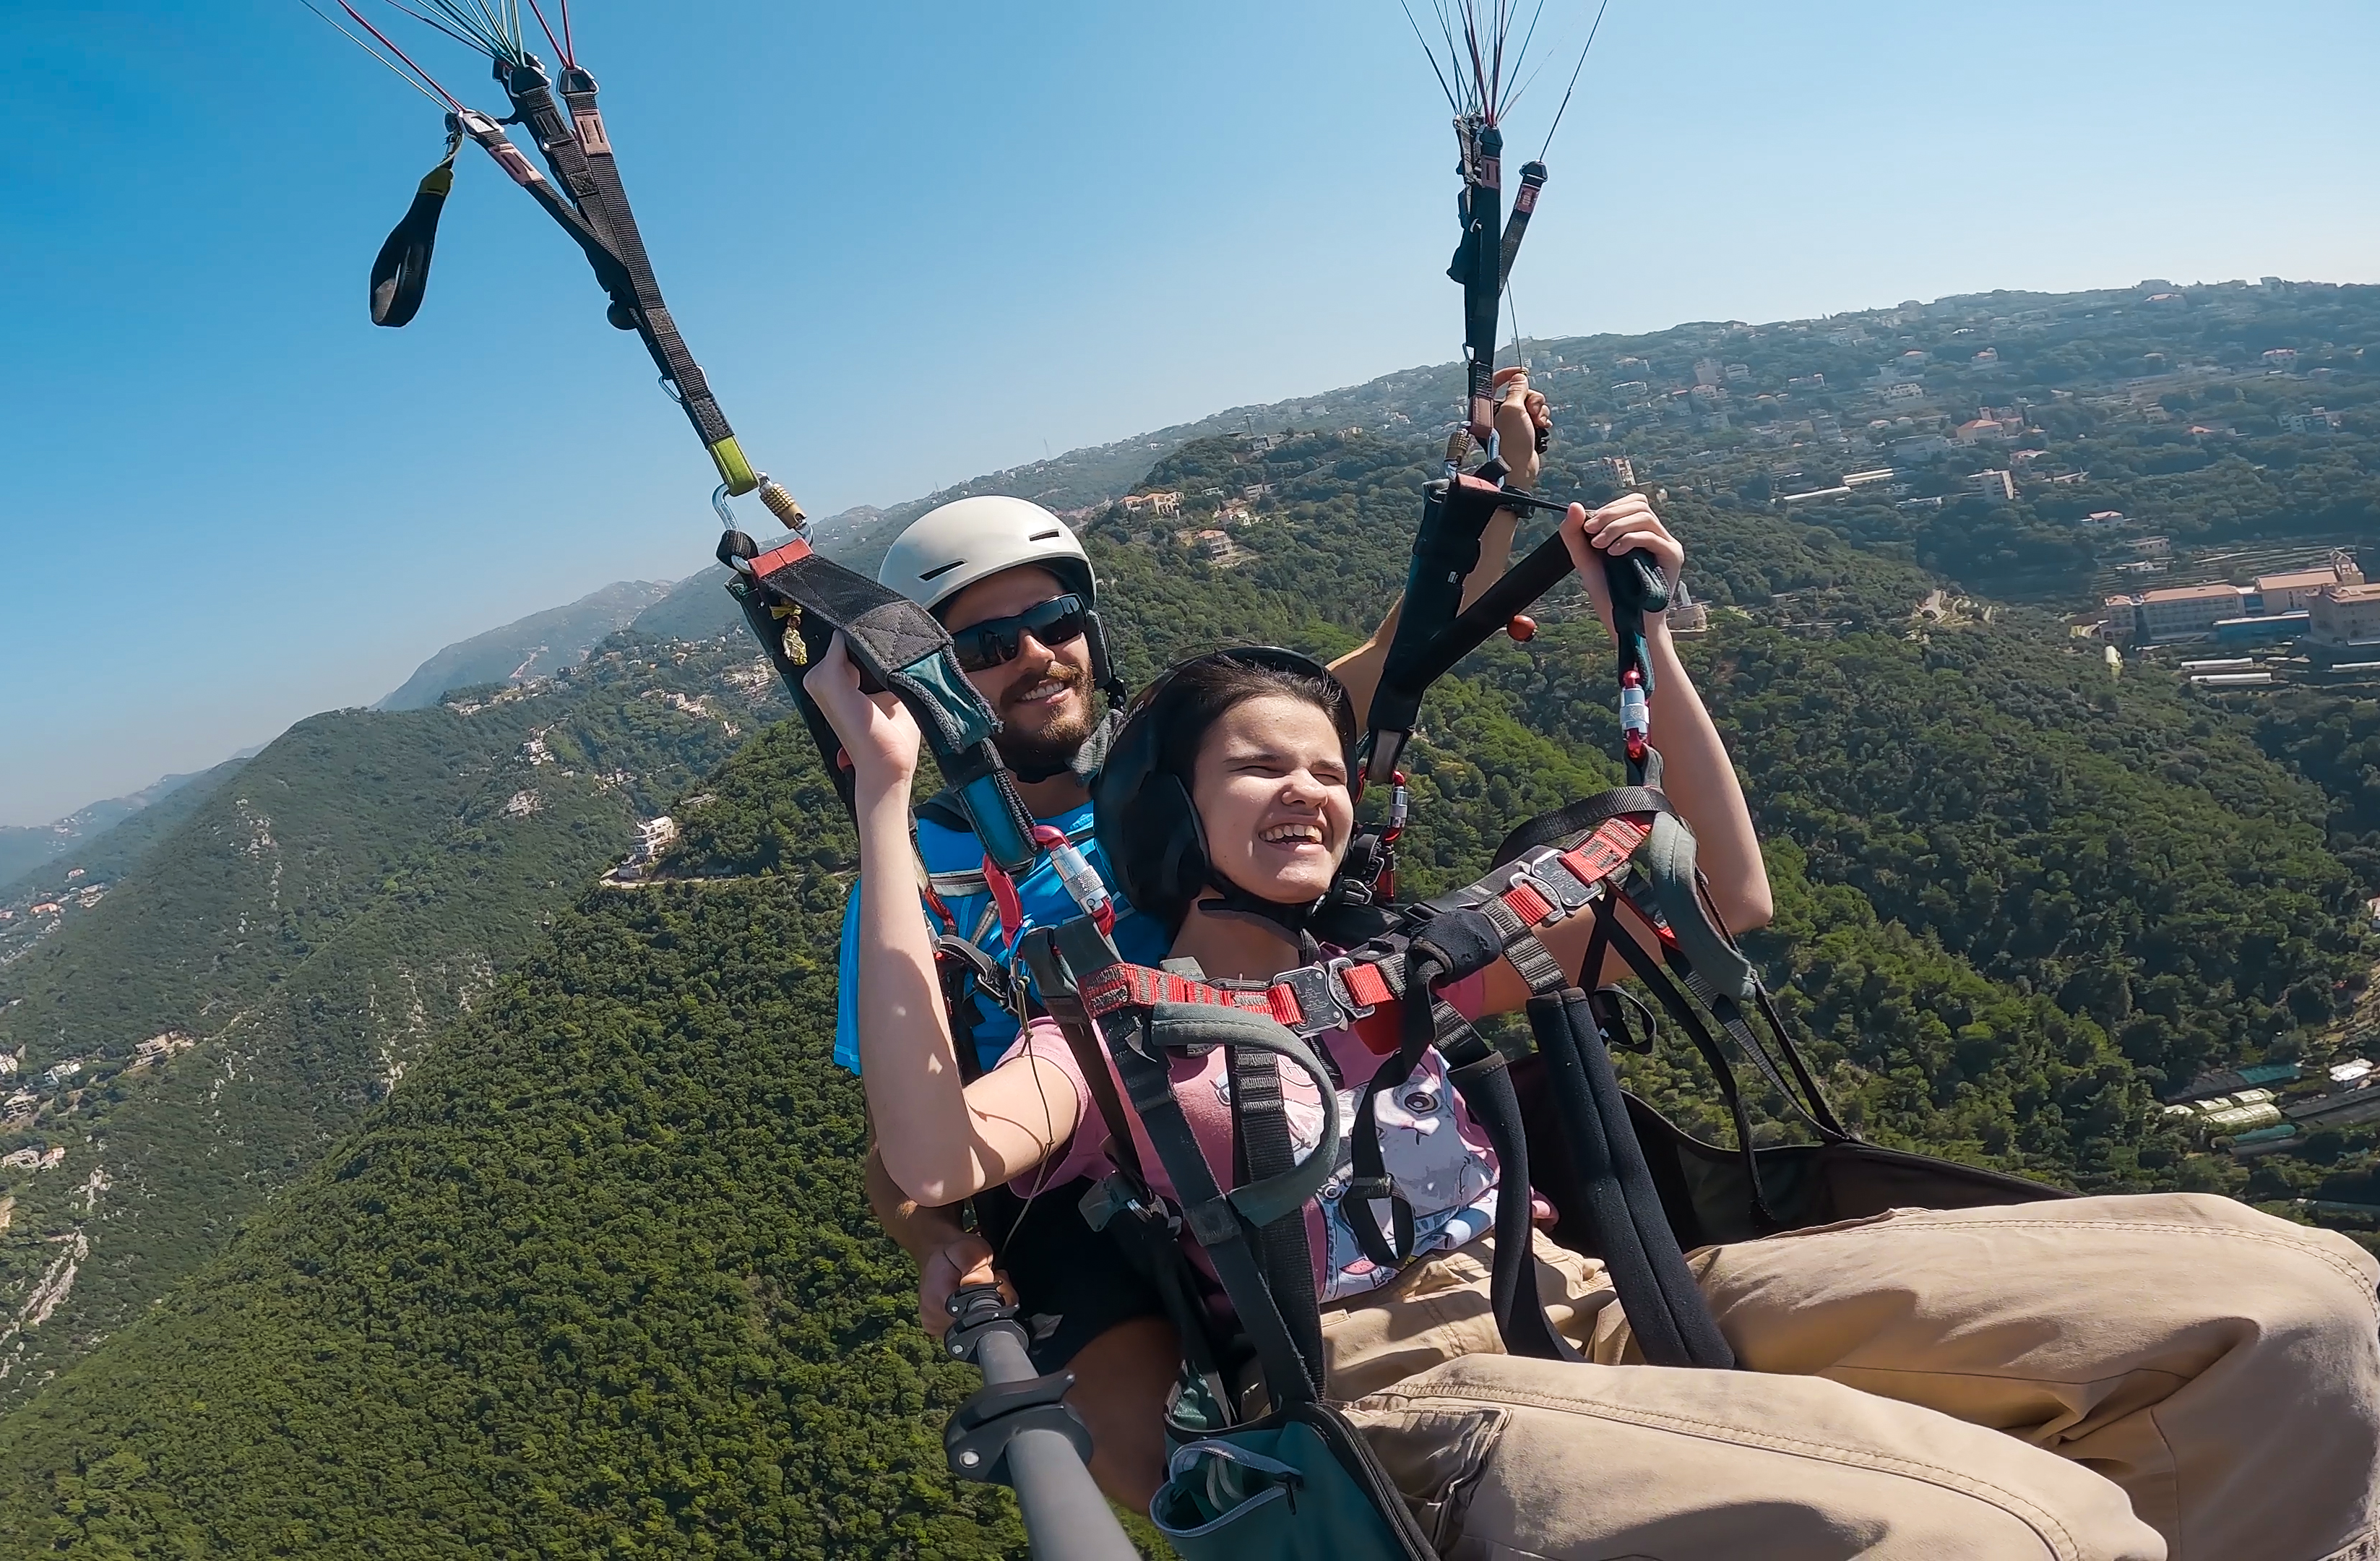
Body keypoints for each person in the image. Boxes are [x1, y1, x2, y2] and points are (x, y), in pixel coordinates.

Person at [810, 499, 2380, 1558]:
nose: (1308, 787)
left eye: (1327, 776)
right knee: (2015, 1538)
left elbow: (1719, 894)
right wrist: (888, 799)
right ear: (1178, 819)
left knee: (2307, 1314)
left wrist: (1636, 616)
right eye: (987, 641)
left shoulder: (1403, 963)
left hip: (1594, 1288)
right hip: (1379, 1370)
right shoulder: (1098, 1028)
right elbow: (928, 1150)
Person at [837, 375, 1555, 1508]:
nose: (1033, 656)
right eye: (982, 644)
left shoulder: (1192, 770)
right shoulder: (919, 885)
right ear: (932, 683)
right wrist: (937, 1243)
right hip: (1065, 1151)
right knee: (1135, 1457)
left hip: (1270, 1084)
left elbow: (1387, 662)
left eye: (1053, 622)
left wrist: (1500, 491)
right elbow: (901, 1152)